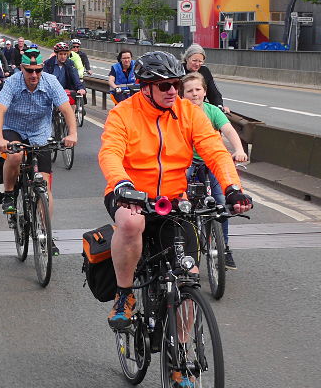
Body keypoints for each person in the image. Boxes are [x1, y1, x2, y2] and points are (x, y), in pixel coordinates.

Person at [98, 51, 252, 349]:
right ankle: (124, 294)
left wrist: (232, 188)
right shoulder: (123, 113)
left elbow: (214, 150)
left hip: (173, 198)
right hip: (130, 193)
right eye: (164, 85)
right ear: (146, 88)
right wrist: (122, 184)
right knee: (130, 223)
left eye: (175, 85)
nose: (172, 91)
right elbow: (110, 153)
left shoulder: (189, 113)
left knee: (189, 275)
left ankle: (180, 352)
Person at [0, 46, 78, 256]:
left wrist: (73, 134)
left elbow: (66, 109)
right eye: (29, 71)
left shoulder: (51, 82)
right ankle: (10, 194)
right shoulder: (12, 82)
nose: (34, 75)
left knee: (45, 187)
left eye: (38, 70)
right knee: (15, 155)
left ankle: (46, 236)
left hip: (40, 133)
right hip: (14, 129)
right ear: (21, 68)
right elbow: (0, 109)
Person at [181, 71, 248, 269]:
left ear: (204, 91)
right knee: (181, 202)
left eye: (198, 89)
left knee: (221, 202)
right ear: (182, 94)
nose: (194, 94)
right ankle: (185, 245)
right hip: (188, 162)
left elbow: (228, 130)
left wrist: (239, 150)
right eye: (189, 91)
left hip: (212, 161)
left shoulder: (212, 111)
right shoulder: (179, 113)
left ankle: (224, 247)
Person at [182, 44, 227, 111]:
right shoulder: (178, 70)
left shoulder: (204, 71)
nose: (197, 64)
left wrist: (219, 106)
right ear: (187, 59)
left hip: (199, 108)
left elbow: (213, 93)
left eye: (200, 61)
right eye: (194, 60)